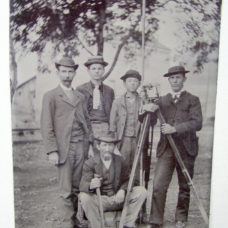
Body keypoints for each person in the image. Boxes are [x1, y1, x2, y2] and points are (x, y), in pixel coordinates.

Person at [145, 66, 203, 228]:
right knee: (158, 184)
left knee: (184, 185)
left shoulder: (193, 99)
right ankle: (155, 220)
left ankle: (181, 218)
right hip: (166, 149)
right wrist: (147, 110)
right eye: (172, 78)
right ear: (168, 80)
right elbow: (150, 123)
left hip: (187, 149)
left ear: (184, 79)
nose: (175, 81)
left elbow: (197, 123)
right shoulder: (162, 100)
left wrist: (175, 129)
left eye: (178, 77)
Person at [40, 56, 93, 228]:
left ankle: (73, 221)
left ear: (75, 73)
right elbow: (46, 125)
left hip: (81, 146)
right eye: (64, 71)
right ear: (58, 73)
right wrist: (52, 150)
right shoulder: (51, 96)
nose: (67, 75)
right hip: (64, 148)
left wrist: (90, 144)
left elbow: (86, 120)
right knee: (65, 190)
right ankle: (66, 224)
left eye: (70, 71)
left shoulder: (80, 96)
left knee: (77, 187)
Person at [79, 132, 147, 228]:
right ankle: (97, 226)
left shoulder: (120, 161)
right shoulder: (90, 163)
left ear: (114, 147)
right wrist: (91, 185)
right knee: (84, 197)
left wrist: (123, 190)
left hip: (118, 199)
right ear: (98, 146)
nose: (107, 149)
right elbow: (82, 185)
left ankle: (127, 224)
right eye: (104, 145)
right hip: (101, 201)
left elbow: (130, 180)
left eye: (110, 145)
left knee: (141, 191)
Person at [109, 70, 157, 176]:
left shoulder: (143, 101)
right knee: (121, 166)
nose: (132, 83)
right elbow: (112, 125)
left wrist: (149, 106)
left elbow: (152, 122)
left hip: (138, 139)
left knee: (137, 167)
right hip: (123, 139)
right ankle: (121, 190)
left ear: (139, 84)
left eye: (135, 81)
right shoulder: (117, 102)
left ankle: (135, 190)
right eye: (129, 81)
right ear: (124, 83)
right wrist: (114, 142)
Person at [76, 56, 114, 138]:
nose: (97, 71)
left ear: (103, 71)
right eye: (93, 69)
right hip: (88, 127)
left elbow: (112, 112)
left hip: (105, 127)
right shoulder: (81, 90)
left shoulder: (109, 91)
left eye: (99, 69)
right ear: (88, 71)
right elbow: (79, 114)